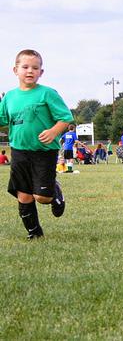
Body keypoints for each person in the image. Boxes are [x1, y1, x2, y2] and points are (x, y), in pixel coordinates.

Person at [0, 49, 72, 239]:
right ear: (15, 70)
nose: (30, 71)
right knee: (24, 194)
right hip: (19, 151)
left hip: (44, 151)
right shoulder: (9, 97)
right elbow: (2, 119)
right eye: (25, 67)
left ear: (41, 72)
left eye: (35, 67)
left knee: (42, 198)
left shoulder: (47, 93)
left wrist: (54, 131)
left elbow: (65, 118)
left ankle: (54, 189)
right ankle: (35, 233)